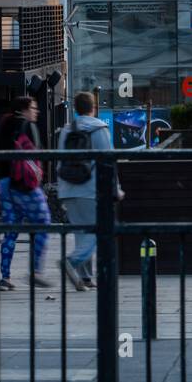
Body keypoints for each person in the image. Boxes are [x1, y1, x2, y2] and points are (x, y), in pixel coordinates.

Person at [55, 91, 122, 291]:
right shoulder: (99, 129)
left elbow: (60, 159)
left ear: (75, 109)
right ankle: (71, 262)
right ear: (93, 108)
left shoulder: (67, 130)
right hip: (91, 189)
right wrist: (115, 189)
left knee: (82, 233)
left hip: (68, 188)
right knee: (98, 230)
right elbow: (108, 161)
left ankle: (85, 278)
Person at [0, 96, 52, 291]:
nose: (37, 111)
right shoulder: (27, 126)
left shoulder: (3, 125)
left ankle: (5, 277)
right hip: (24, 184)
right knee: (43, 222)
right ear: (23, 110)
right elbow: (36, 156)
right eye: (33, 108)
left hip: (4, 184)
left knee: (11, 229)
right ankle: (36, 271)